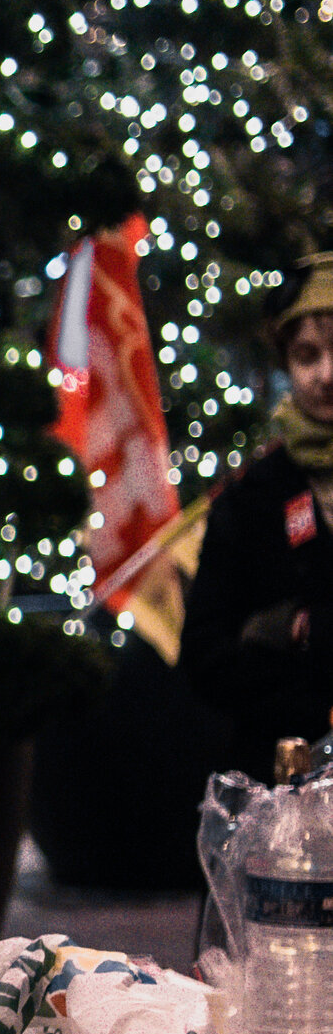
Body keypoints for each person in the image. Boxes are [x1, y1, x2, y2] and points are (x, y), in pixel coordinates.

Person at [185, 253, 333, 777]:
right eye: (306, 355)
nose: (326, 375)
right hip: (288, 792)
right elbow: (204, 658)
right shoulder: (252, 496)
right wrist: (294, 637)